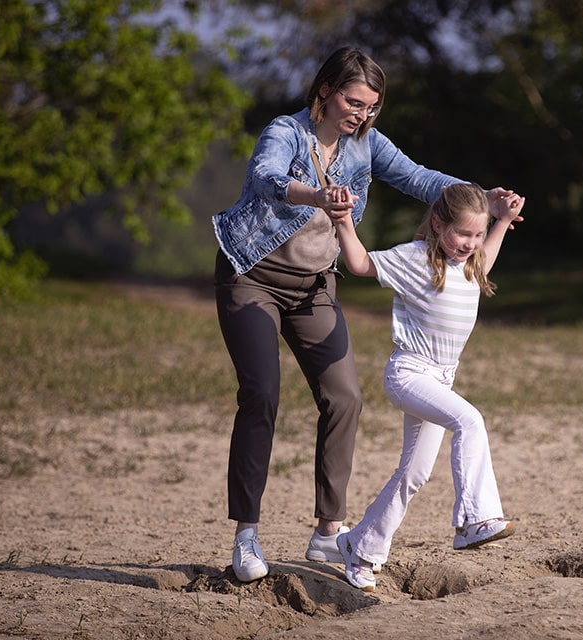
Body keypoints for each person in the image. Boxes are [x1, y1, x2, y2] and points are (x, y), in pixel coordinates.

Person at [212, 47, 519, 583]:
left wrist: (479, 199)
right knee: (261, 394)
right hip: (252, 275)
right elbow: (265, 178)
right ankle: (247, 534)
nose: (362, 115)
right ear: (326, 91)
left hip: (314, 285)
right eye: (354, 102)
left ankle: (328, 534)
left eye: (372, 107)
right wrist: (318, 195)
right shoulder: (285, 131)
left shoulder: (366, 144)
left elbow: (422, 180)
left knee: (344, 397)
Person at [327, 182, 525, 592]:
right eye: (462, 234)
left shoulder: (470, 264)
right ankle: (475, 520)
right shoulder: (416, 259)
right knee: (469, 419)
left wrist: (502, 220)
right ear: (437, 224)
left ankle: (359, 547)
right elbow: (362, 264)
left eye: (476, 234)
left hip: (440, 377)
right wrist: (344, 222)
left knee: (413, 474)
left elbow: (485, 260)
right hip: (410, 374)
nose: (470, 243)